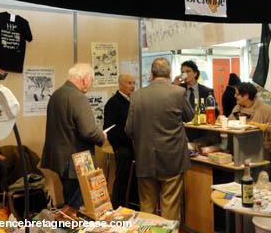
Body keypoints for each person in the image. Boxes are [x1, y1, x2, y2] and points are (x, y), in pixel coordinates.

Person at [125, 57, 193, 220]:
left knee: (147, 206)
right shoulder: (178, 92)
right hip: (173, 159)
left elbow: (128, 130)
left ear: (152, 74)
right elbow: (189, 116)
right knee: (170, 205)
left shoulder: (137, 96)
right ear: (169, 73)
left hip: (145, 158)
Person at [41, 63, 106, 208]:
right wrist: (102, 137)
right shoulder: (78, 97)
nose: (90, 85)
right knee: (79, 206)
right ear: (83, 79)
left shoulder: (57, 94)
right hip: (76, 162)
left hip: (59, 159)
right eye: (91, 81)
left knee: (69, 201)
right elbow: (88, 131)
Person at [228, 82, 271, 176]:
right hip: (238, 162)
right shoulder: (236, 110)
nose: (234, 96)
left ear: (246, 96)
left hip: (261, 165)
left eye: (237, 94)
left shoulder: (269, 113)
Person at [103, 73, 137, 209]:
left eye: (134, 83)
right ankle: (118, 207)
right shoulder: (113, 103)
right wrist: (118, 147)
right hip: (123, 147)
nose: (133, 86)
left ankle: (133, 206)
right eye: (129, 83)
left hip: (135, 146)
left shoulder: (133, 101)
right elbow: (109, 128)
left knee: (135, 180)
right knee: (122, 179)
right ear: (120, 84)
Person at [173, 60, 217, 140]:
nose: (185, 74)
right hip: (183, 131)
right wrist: (174, 85)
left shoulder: (206, 91)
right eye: (183, 72)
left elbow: (215, 112)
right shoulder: (178, 89)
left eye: (188, 71)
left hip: (201, 132)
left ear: (195, 73)